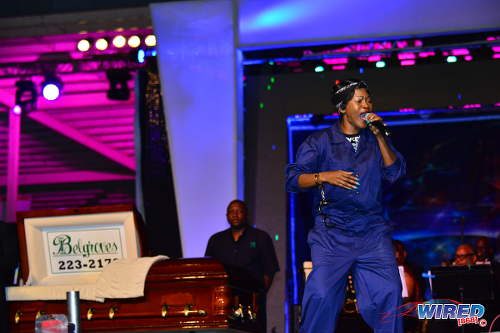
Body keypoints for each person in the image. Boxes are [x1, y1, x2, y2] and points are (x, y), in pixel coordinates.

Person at [286, 78, 406, 333]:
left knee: (390, 291)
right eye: (359, 100)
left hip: (372, 232)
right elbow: (293, 179)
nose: (367, 105)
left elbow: (394, 174)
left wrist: (381, 137)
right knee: (320, 295)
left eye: (369, 99)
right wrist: (324, 176)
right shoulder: (319, 141)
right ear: (342, 108)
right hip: (332, 232)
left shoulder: (375, 140)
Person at [205, 199, 280, 332]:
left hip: (252, 302)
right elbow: (208, 270)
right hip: (223, 303)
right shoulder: (216, 240)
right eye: (231, 211)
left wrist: (259, 295)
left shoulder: (261, 237)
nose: (235, 214)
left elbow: (269, 269)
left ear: (246, 214)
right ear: (226, 215)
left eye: (239, 211)